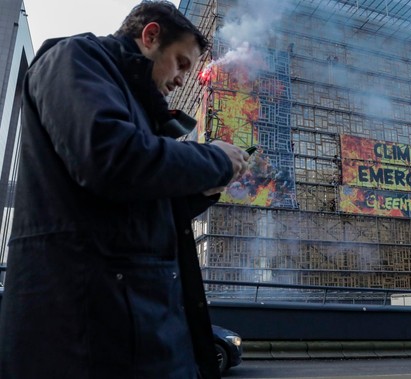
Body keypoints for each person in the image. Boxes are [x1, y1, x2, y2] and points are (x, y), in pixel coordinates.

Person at [0, 1, 249, 378]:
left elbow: (138, 207)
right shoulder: (74, 58)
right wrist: (213, 159)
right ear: (150, 36)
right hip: (88, 341)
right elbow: (112, 159)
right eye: (181, 62)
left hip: (128, 333)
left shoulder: (133, 105)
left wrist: (210, 186)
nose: (183, 79)